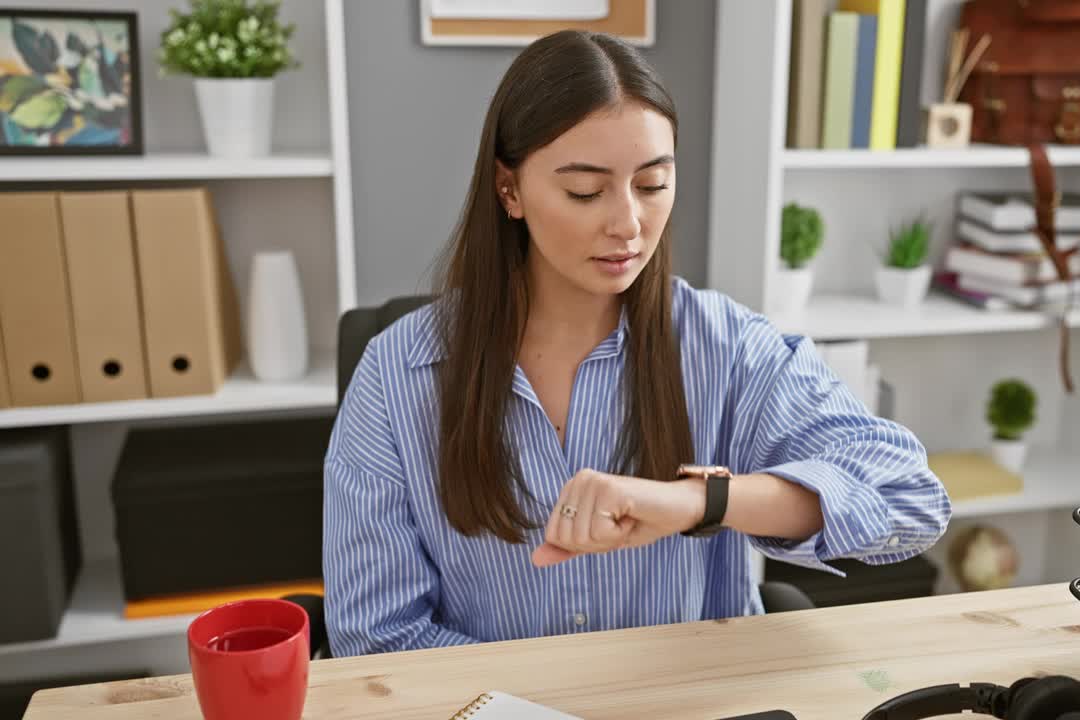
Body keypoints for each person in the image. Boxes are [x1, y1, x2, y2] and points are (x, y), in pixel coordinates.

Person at [323, 29, 950, 657]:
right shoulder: (397, 374)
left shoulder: (726, 347)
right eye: (585, 191)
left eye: (652, 185)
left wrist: (701, 500)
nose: (628, 223)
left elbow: (911, 500)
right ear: (508, 189)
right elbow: (377, 637)